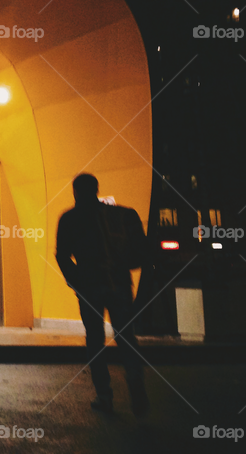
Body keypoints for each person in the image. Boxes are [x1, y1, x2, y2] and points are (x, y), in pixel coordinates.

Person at [55, 173, 149, 417]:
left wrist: (76, 281)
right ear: (97, 189)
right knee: (126, 336)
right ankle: (136, 387)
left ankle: (104, 396)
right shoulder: (122, 215)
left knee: (95, 340)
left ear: (75, 191)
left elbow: (62, 255)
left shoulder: (70, 218)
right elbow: (141, 252)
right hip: (119, 284)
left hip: (89, 286)